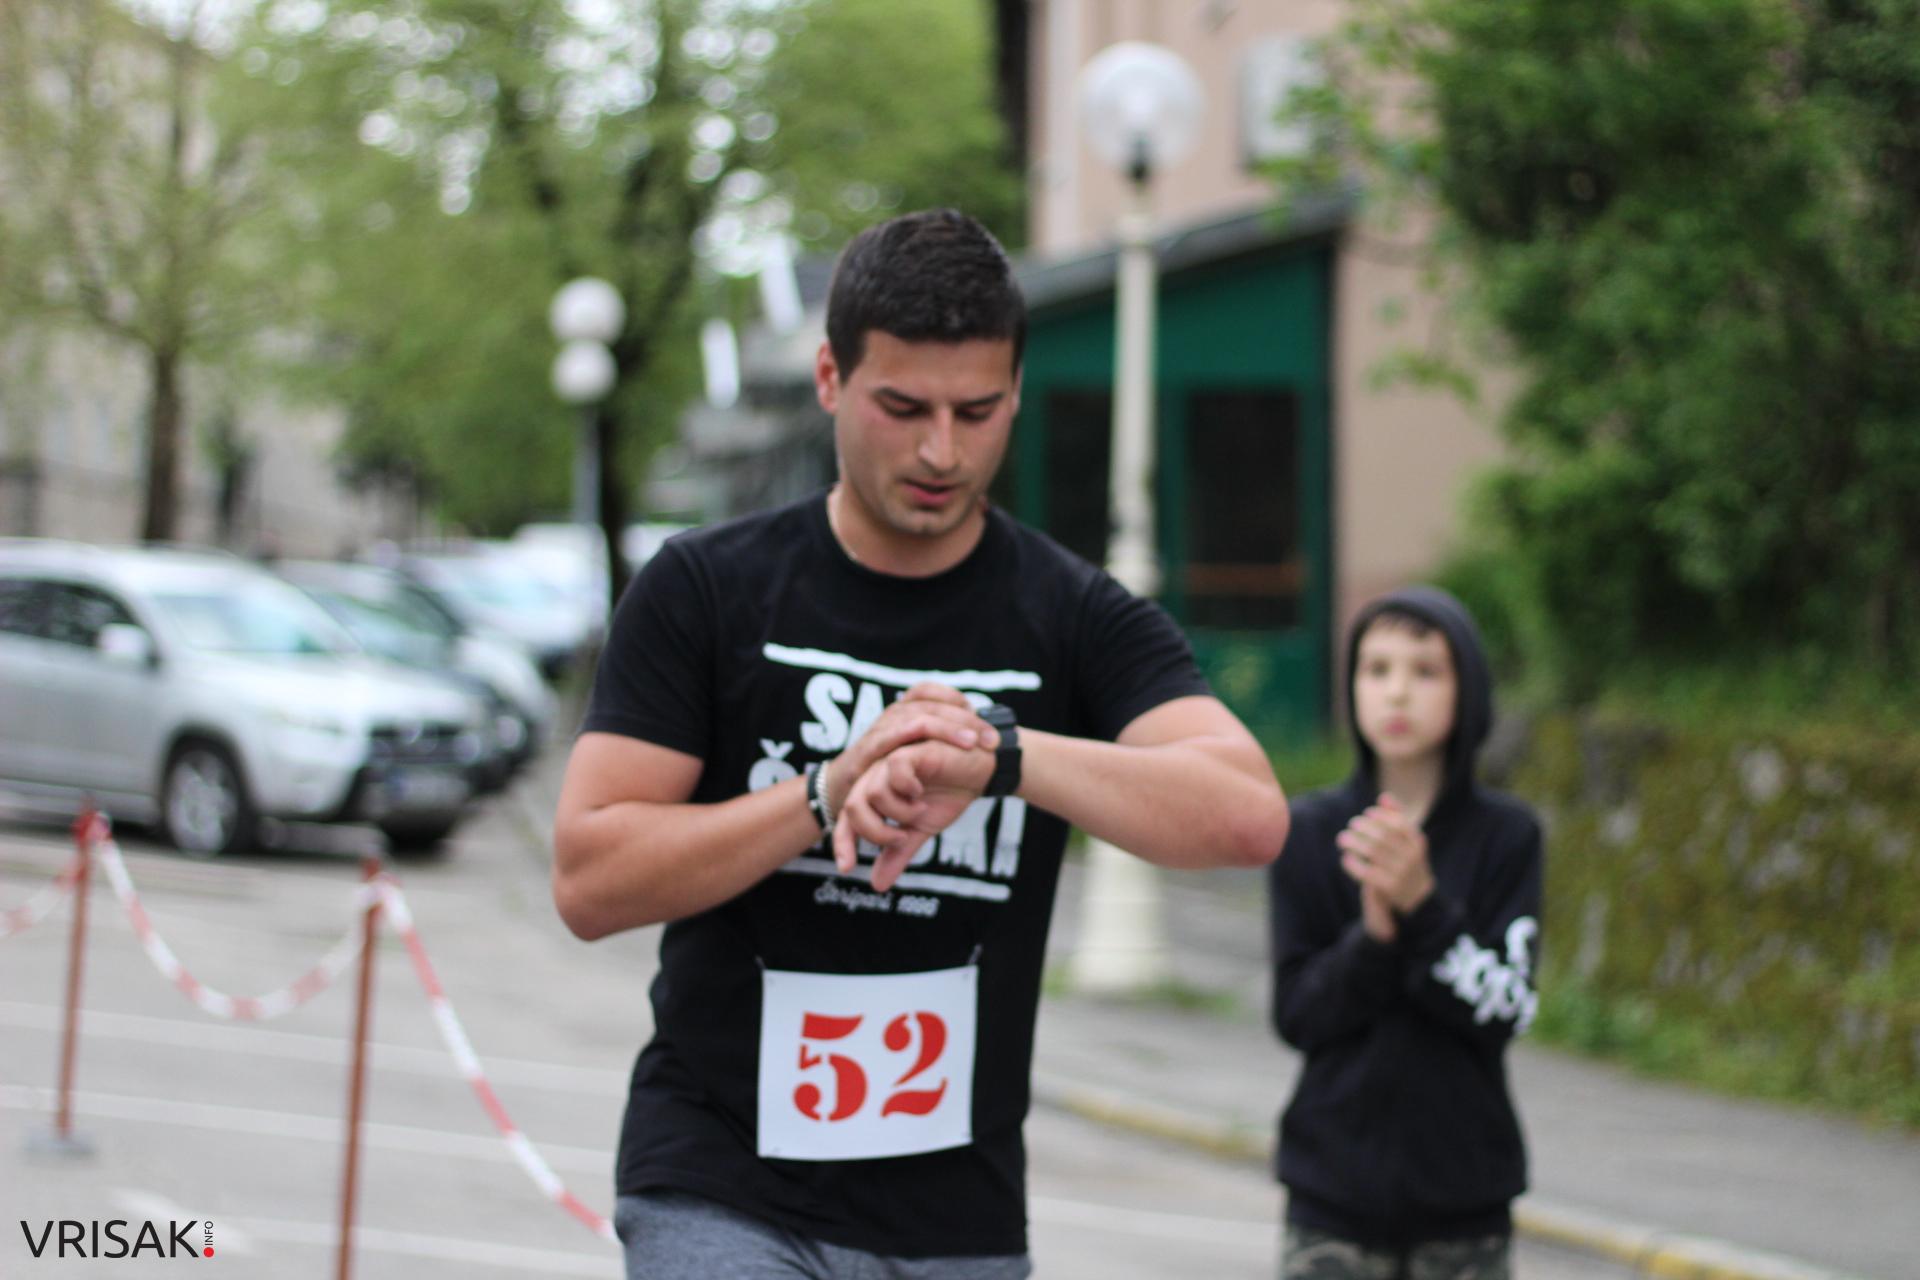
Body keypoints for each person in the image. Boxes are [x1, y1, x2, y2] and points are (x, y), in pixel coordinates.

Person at [553, 207, 1289, 1279]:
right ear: (828, 379)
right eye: (902, 407)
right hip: (722, 1182)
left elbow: (1248, 811)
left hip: (958, 1220)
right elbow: (588, 874)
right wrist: (823, 789)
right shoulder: (706, 586)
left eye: (977, 411)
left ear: (1016, 396)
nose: (942, 450)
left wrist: (1001, 756)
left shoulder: (1072, 613)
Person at [1265, 586, 1543, 1280]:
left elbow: (1504, 1008)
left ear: (1467, 688)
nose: (1396, 694)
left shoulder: (1506, 836)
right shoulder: (1307, 829)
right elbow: (1298, 1014)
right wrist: (1376, 937)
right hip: (1331, 1198)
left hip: (1466, 1201)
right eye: (1375, 669)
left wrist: (1423, 908)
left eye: (1425, 671)